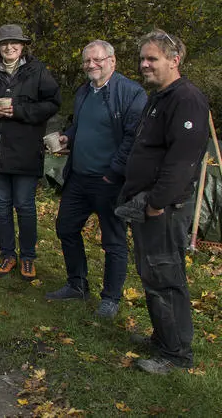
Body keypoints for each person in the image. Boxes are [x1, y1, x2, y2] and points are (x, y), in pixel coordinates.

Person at [120, 30, 209, 374]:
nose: (144, 64)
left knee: (166, 275)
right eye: (142, 58)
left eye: (152, 59)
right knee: (152, 274)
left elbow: (183, 160)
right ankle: (162, 337)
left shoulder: (186, 99)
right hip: (146, 203)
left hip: (164, 208)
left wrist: (158, 201)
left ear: (175, 60)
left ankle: (176, 354)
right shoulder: (160, 97)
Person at [45, 40, 146, 317]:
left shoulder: (131, 93)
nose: (91, 65)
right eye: (87, 61)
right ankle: (76, 285)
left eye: (97, 60)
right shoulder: (84, 92)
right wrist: (68, 136)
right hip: (78, 177)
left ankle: (111, 298)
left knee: (113, 241)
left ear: (112, 61)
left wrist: (113, 172)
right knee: (66, 228)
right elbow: (81, 124)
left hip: (109, 180)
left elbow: (132, 137)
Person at [0, 24, 61, 281]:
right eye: (4, 44)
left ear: (22, 47)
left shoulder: (38, 71)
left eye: (14, 43)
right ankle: (7, 255)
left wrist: (19, 112)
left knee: (24, 206)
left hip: (26, 151)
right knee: (0, 207)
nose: (9, 47)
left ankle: (28, 257)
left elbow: (53, 103)